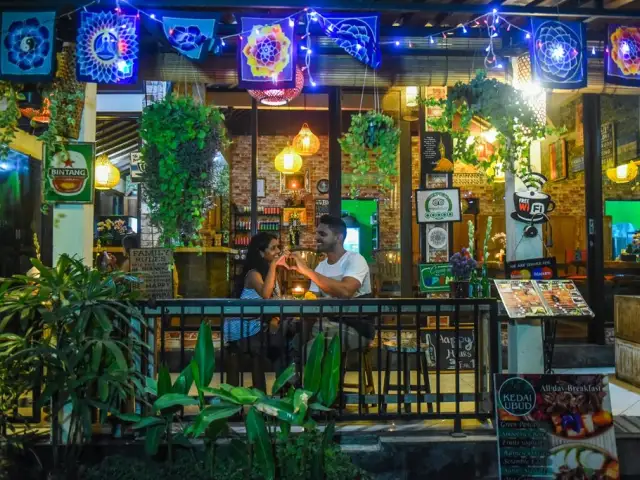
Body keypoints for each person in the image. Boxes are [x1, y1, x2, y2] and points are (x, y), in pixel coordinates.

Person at [287, 215, 374, 355]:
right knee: (294, 340)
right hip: (328, 325)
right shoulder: (320, 267)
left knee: (313, 349)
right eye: (316, 233)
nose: (316, 238)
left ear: (338, 238)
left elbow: (346, 291)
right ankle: (299, 371)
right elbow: (312, 300)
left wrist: (306, 270)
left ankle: (307, 370)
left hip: (356, 329)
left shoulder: (355, 260)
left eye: (322, 234)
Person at [226, 232, 289, 390]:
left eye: (278, 247)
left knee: (284, 339)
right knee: (279, 343)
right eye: (273, 248)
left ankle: (277, 389)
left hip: (255, 322)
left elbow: (275, 298)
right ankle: (279, 389)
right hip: (242, 326)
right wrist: (274, 265)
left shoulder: (268, 272)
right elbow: (266, 295)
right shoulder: (254, 274)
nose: (277, 252)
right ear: (261, 252)